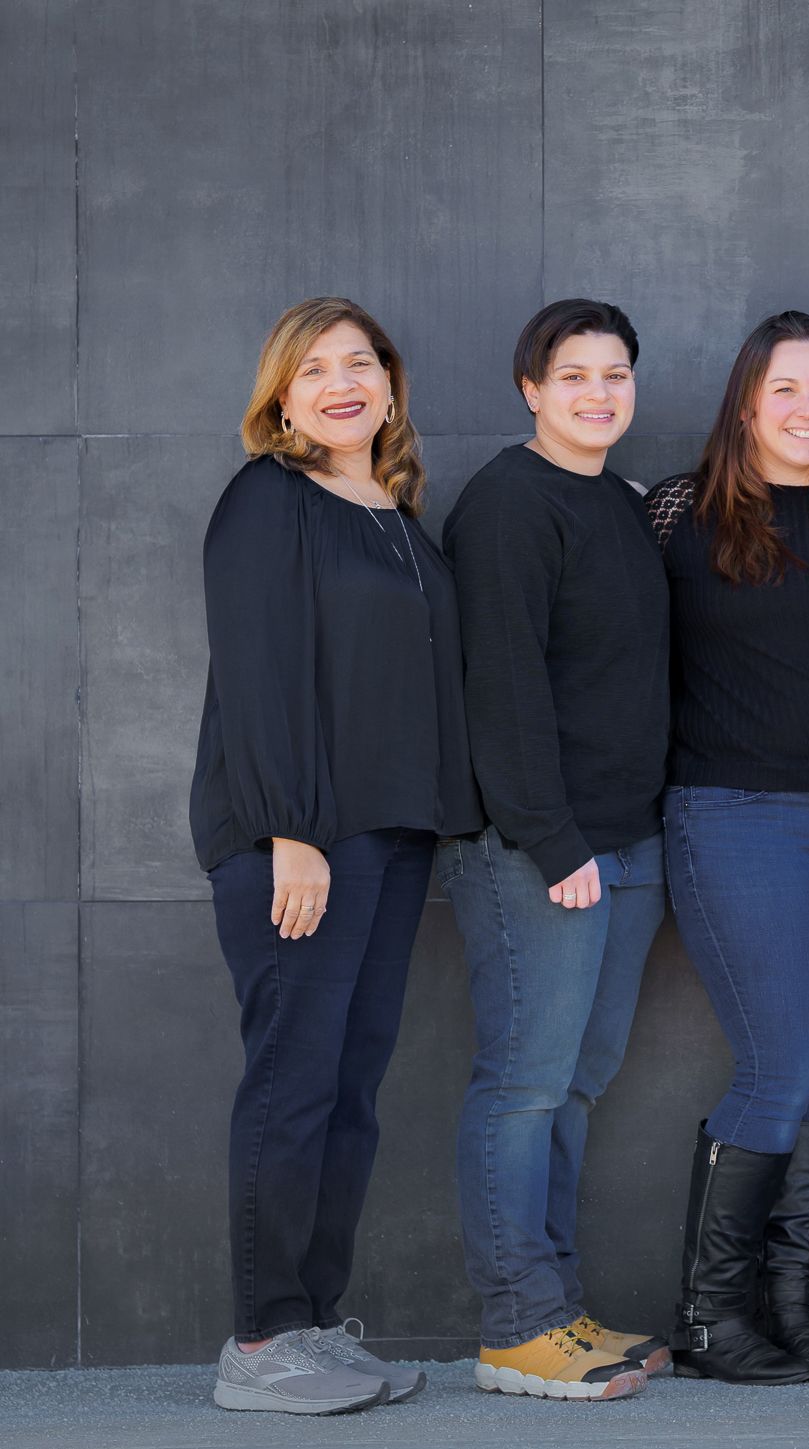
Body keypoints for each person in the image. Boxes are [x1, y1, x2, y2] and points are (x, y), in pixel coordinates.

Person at [194, 296, 483, 1414]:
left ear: (391, 382)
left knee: (347, 1090)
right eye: (313, 369)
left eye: (360, 362)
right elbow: (260, 673)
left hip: (389, 835)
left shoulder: (394, 512)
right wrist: (291, 835)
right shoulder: (269, 502)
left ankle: (312, 1324)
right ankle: (260, 1345)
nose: (341, 381)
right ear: (281, 397)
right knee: (292, 1084)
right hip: (299, 840)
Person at [649, 311, 809, 1387]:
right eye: (785, 391)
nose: (807, 411)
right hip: (736, 813)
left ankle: (791, 1315)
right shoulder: (677, 514)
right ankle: (712, 1320)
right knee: (781, 1063)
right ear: (745, 403)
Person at [436, 299, 669, 1403]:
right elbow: (501, 688)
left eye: (614, 374)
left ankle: (558, 1311)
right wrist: (551, 838)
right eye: (573, 375)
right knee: (524, 1088)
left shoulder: (618, 502)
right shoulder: (507, 506)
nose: (596, 393)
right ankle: (516, 1326)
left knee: (573, 1086)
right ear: (530, 388)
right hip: (542, 849)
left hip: (624, 844)